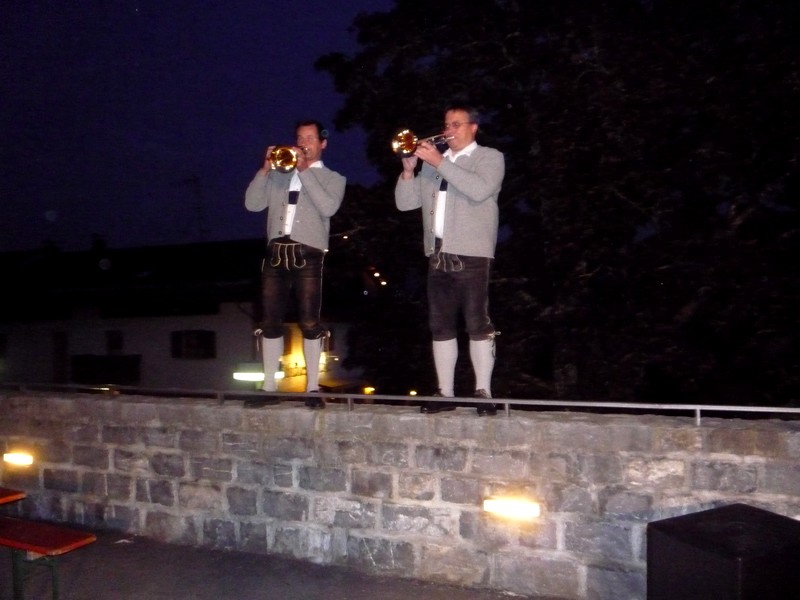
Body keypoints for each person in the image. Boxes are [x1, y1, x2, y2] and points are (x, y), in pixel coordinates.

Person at [395, 105, 504, 416]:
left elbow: (479, 190)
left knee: (477, 322)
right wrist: (408, 172)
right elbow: (405, 204)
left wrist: (439, 162)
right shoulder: (433, 164)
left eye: (456, 124)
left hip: (473, 251)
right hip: (438, 253)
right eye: (446, 124)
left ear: (473, 127)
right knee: (440, 325)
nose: (448, 130)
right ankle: (445, 392)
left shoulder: (489, 157)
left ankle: (484, 392)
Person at [245, 120, 346, 409]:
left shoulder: (333, 178)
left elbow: (328, 207)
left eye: (310, 138)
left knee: (310, 321)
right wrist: (265, 169)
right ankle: (269, 387)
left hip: (309, 252)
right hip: (276, 250)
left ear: (323, 143)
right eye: (299, 138)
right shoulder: (279, 173)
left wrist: (303, 170)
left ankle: (312, 388)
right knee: (270, 320)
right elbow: (252, 204)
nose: (303, 143)